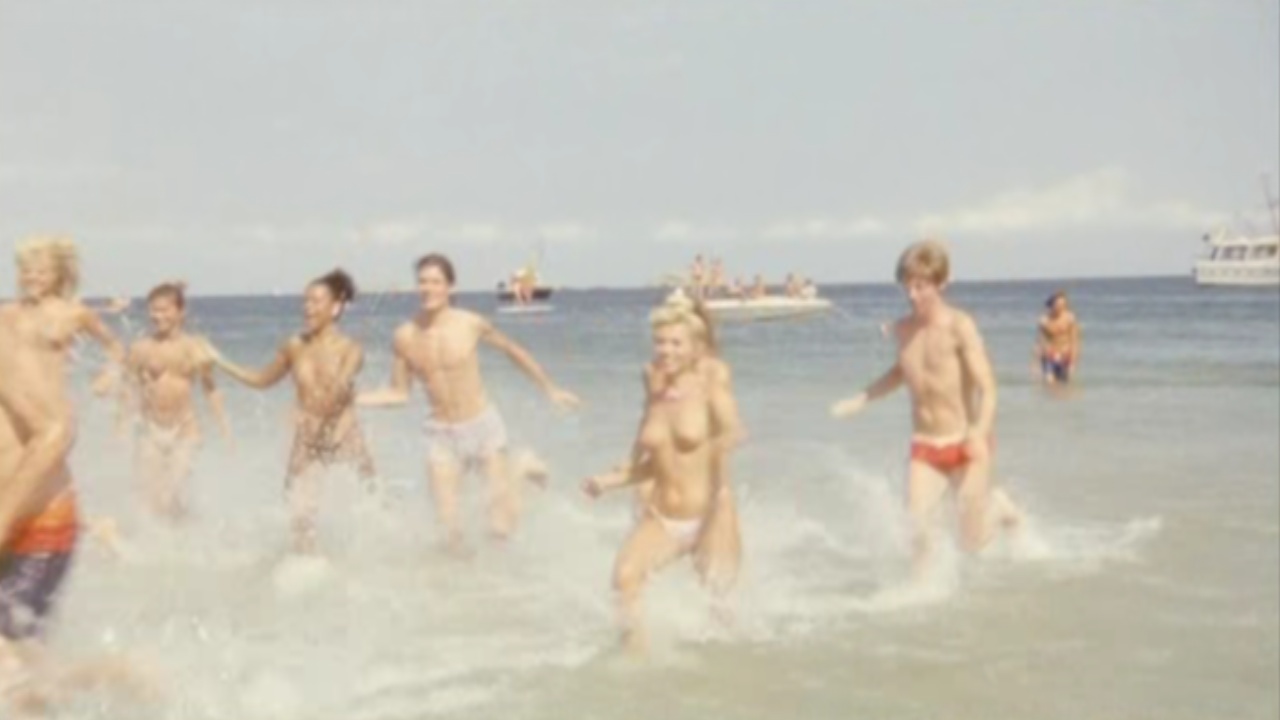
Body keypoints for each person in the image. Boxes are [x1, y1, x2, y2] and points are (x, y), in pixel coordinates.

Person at [359, 254, 579, 555]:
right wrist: (353, 399)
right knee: (449, 535)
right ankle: (459, 584)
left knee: (500, 531)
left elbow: (512, 351)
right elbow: (399, 393)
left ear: (450, 287)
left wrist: (550, 389)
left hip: (482, 427)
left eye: (436, 282)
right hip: (440, 436)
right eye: (422, 282)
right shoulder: (405, 336)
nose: (428, 288)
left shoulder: (470, 323)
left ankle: (520, 468)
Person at [830, 240, 1022, 578]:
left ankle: (999, 507)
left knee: (972, 542)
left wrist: (979, 433)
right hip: (925, 445)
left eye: (921, 286)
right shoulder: (903, 330)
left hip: (965, 442)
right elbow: (902, 373)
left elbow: (988, 387)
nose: (912, 294)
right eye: (907, 285)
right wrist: (861, 399)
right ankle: (920, 595)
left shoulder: (960, 325)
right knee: (916, 534)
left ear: (941, 283)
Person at [582, 294, 744, 653]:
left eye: (675, 343)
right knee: (625, 580)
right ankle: (635, 664)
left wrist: (718, 464)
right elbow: (655, 449)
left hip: (711, 515)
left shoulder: (710, 382)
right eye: (660, 342)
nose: (665, 350)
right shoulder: (654, 383)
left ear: (695, 347)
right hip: (664, 518)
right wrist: (613, 478)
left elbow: (735, 431)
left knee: (720, 618)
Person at [202, 269, 378, 554]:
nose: (308, 307)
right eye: (305, 301)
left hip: (344, 437)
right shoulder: (294, 346)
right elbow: (261, 380)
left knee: (372, 510)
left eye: (316, 301)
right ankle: (307, 571)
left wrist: (337, 392)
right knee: (299, 520)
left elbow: (342, 385)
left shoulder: (351, 349)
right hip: (307, 442)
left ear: (335, 307)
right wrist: (219, 360)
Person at [120, 282, 231, 521]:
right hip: (151, 431)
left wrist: (224, 428)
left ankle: (184, 532)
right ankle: (165, 539)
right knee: (149, 500)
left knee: (172, 492)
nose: (157, 316)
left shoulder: (193, 347)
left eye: (164, 310)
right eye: (153, 310)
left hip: (185, 429)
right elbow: (129, 389)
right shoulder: (141, 348)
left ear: (180, 312)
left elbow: (210, 388)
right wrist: (122, 426)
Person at [1035, 291, 1080, 384]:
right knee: (1050, 383)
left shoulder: (1070, 318)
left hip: (1065, 355)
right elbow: (1040, 342)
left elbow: (1074, 340)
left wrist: (1073, 361)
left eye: (1064, 305)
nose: (1061, 307)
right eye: (1059, 305)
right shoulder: (1044, 320)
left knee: (1065, 384)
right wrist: (1036, 363)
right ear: (1052, 305)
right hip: (1050, 355)